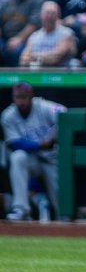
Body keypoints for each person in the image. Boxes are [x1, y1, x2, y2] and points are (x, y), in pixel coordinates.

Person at [2, 82, 66, 221]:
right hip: (32, 160)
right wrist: (40, 145)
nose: (21, 101)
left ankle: (64, 217)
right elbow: (14, 143)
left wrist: (55, 135)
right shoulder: (8, 115)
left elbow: (65, 113)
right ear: (13, 97)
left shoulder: (44, 107)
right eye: (18, 97)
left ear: (31, 96)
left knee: (61, 206)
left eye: (24, 97)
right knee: (17, 157)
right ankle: (21, 209)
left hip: (52, 159)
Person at [19, 1, 76, 68]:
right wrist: (40, 58)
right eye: (47, 13)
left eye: (52, 13)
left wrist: (34, 57)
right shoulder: (34, 36)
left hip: (61, 74)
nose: (49, 16)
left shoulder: (67, 33)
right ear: (41, 15)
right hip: (39, 74)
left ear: (58, 15)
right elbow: (24, 59)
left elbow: (55, 58)